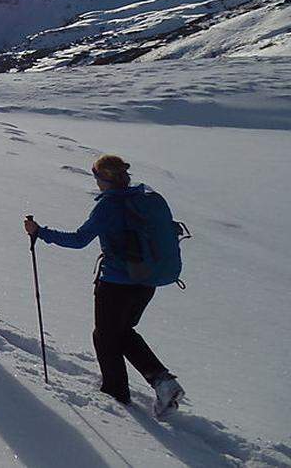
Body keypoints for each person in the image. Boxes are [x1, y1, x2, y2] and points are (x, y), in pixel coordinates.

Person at [24, 155, 186, 416]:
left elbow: (79, 240)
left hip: (115, 283)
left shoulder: (109, 207)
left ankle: (116, 393)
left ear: (104, 179)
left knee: (105, 336)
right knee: (121, 332)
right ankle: (162, 382)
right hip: (146, 281)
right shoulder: (144, 198)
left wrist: (39, 232)